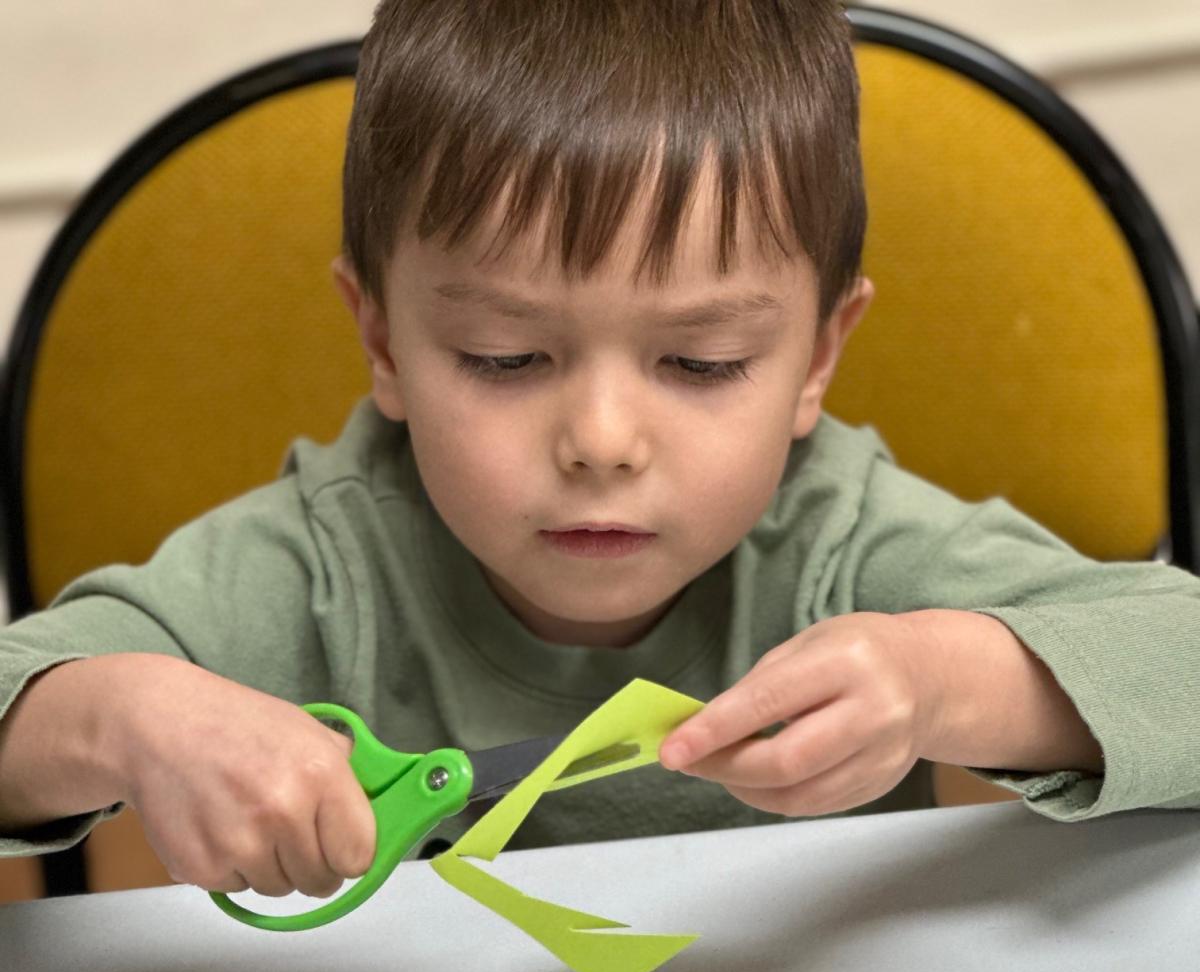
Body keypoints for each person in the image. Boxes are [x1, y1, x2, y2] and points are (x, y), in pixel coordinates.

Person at [1, 0, 1198, 904]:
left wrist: (948, 680)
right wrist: (123, 715)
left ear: (818, 360)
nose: (603, 443)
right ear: (383, 339)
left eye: (705, 363)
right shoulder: (324, 565)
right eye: (505, 357)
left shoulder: (843, 541)